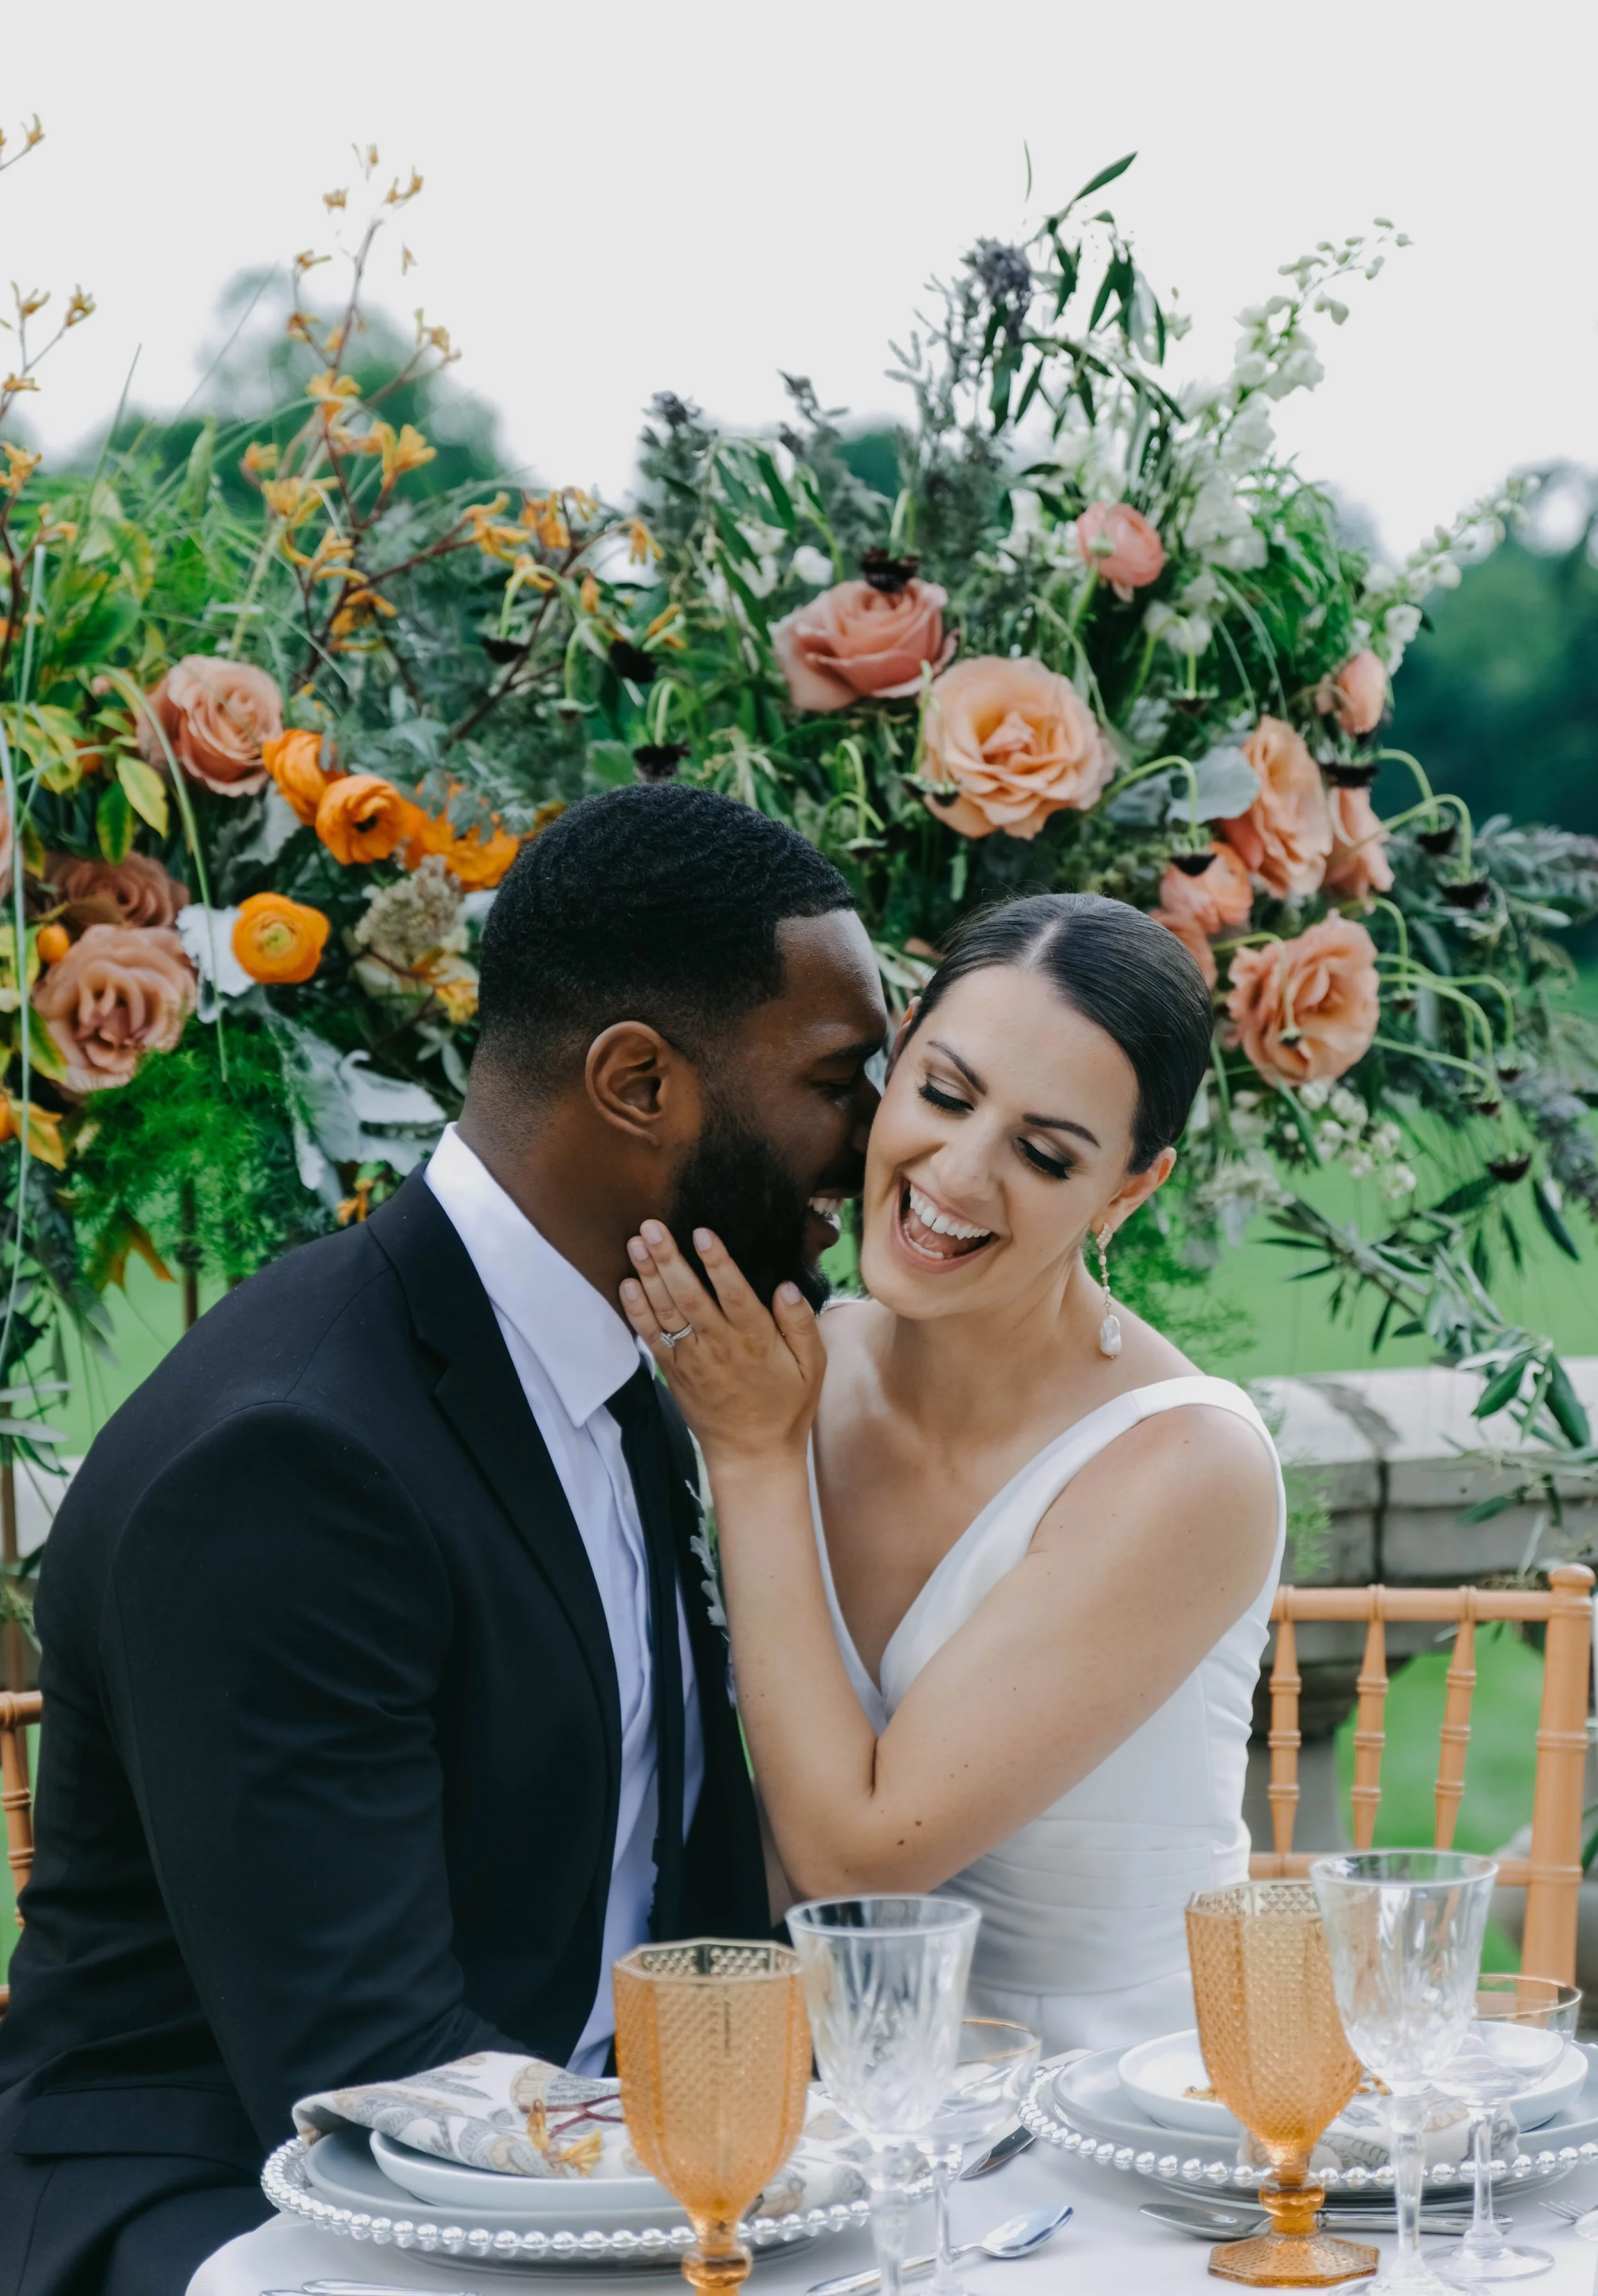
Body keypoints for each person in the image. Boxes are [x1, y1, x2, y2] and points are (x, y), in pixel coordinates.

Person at [0, 784, 887, 2296]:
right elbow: (362, 2064)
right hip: (236, 2204)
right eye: (836, 1082)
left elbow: (683, 1892)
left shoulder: (638, 1371)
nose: (876, 1145)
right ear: (634, 1085)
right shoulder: (292, 1459)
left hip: (581, 2166)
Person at [620, 890, 1285, 2052]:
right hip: (829, 2094)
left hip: (1123, 2120)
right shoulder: (794, 1364)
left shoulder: (1187, 1465)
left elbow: (854, 1858)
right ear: (904, 1042)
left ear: (1129, 1189)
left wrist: (753, 1457)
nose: (961, 1175)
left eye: (1043, 1152)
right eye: (943, 1092)